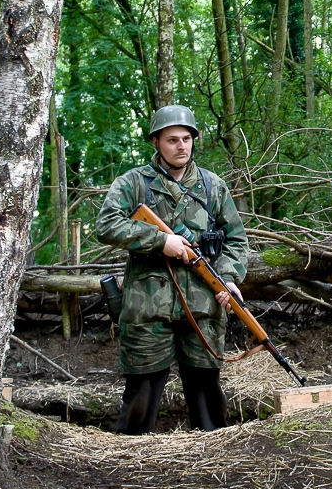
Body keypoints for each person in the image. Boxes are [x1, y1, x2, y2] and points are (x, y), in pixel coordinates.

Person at [95, 105, 250, 434]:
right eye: (172, 140)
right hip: (148, 307)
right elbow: (106, 225)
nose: (181, 146)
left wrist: (229, 279)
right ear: (156, 142)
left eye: (187, 139)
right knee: (142, 389)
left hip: (204, 305)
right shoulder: (133, 183)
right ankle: (129, 460)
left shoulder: (213, 186)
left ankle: (215, 459)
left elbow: (236, 241)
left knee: (207, 389)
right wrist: (159, 240)